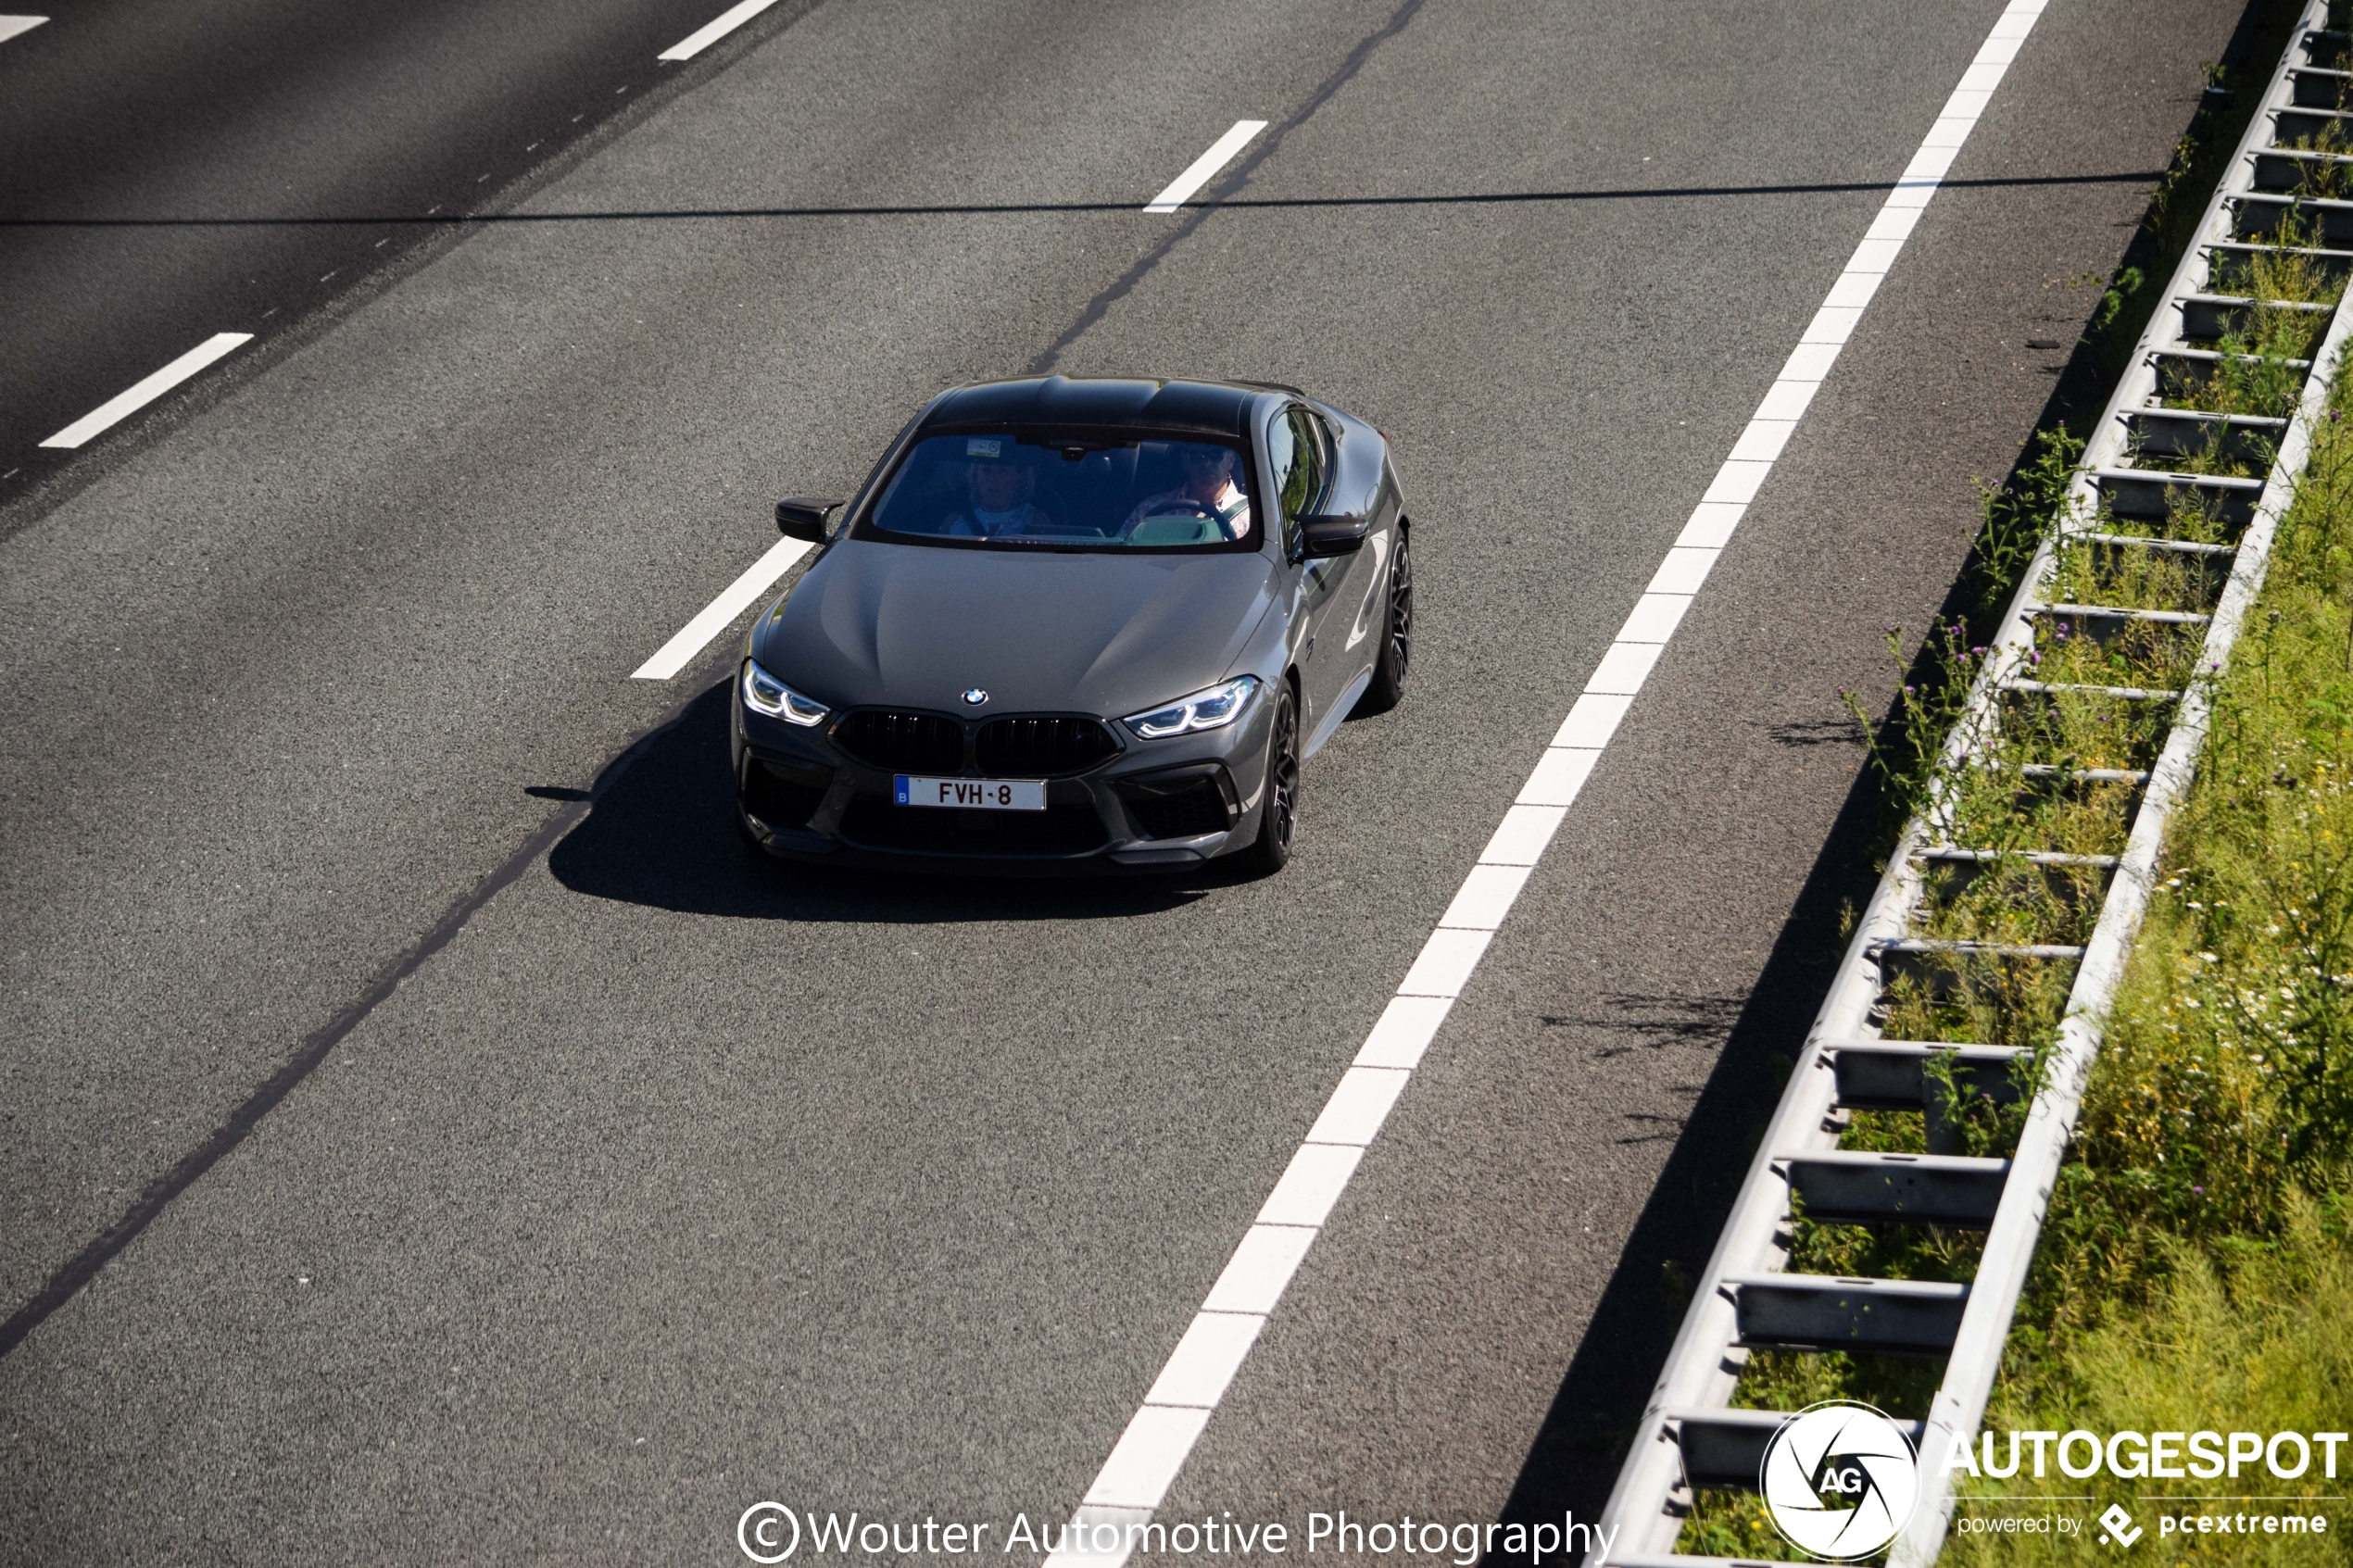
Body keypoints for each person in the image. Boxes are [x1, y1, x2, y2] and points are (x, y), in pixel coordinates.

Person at [1122, 444, 1252, 540]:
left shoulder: (1251, 515)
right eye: (1196, 456)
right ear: (1184, 462)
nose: (1206, 463)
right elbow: (1122, 547)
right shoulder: (1151, 508)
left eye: (1215, 455)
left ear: (1231, 460)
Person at [940, 444, 1053, 536]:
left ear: (1020, 478)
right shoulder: (954, 522)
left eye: (1003, 471)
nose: (993, 478)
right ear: (975, 477)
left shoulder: (1035, 520)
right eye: (986, 470)